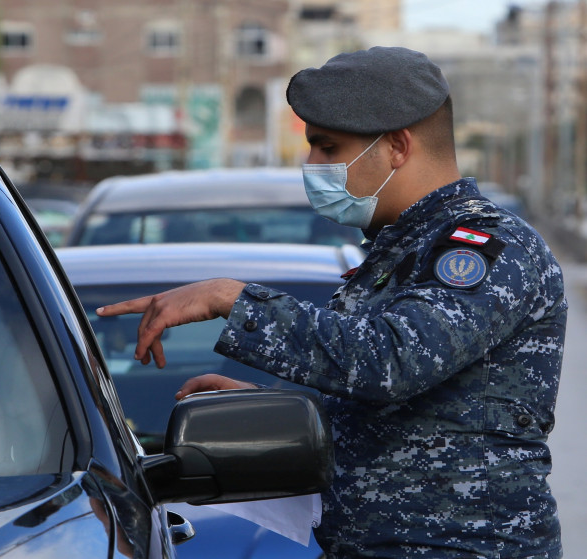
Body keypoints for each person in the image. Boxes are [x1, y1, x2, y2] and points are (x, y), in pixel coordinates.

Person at [98, 46, 566, 558]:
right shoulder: (401, 248)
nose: (312, 164)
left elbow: (393, 360)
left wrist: (232, 299)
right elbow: (404, 414)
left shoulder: (483, 248)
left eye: (327, 147)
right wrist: (281, 411)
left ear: (397, 146)